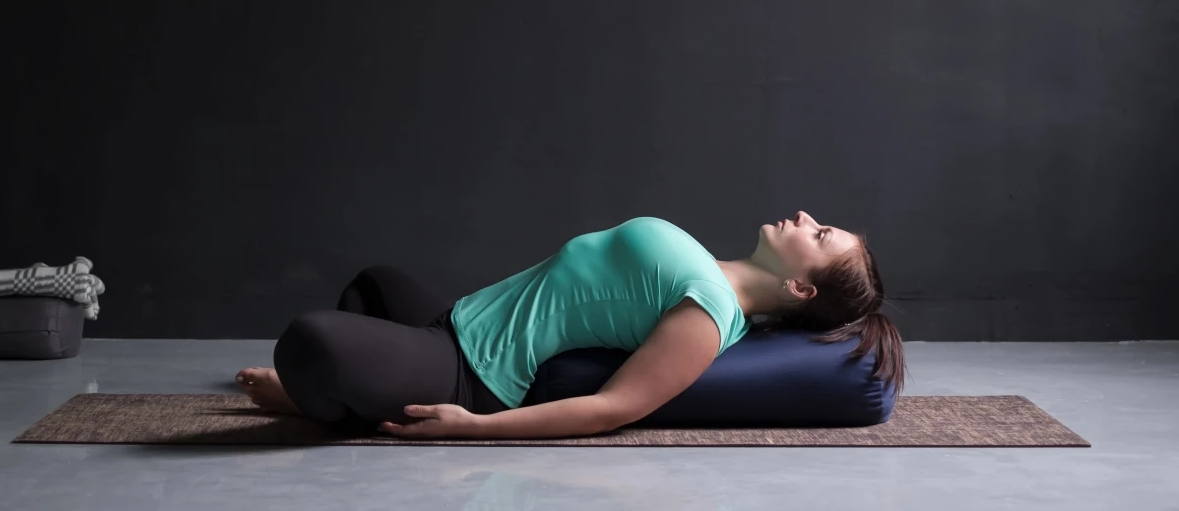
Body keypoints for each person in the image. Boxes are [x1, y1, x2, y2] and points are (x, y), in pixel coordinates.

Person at [235, 212, 906, 439]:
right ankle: (356, 394)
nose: (805, 217)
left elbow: (616, 407)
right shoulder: (708, 269)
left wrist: (477, 429)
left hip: (474, 375)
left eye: (819, 235)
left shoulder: (710, 315)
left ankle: (323, 404)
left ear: (798, 286)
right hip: (458, 322)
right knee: (375, 282)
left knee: (311, 342)